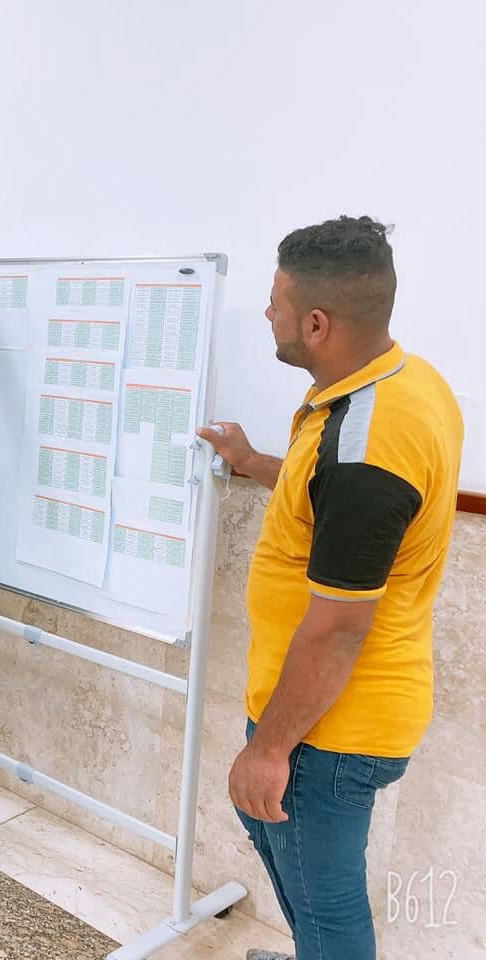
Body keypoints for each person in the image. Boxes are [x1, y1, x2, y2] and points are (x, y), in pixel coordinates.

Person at [198, 216, 462, 960]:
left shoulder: (368, 450)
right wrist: (251, 461)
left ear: (316, 324)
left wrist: (270, 749)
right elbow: (322, 493)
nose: (267, 312)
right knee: (297, 873)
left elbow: (339, 627)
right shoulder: (396, 385)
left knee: (327, 910)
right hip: (325, 717)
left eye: (276, 302)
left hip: (330, 731)